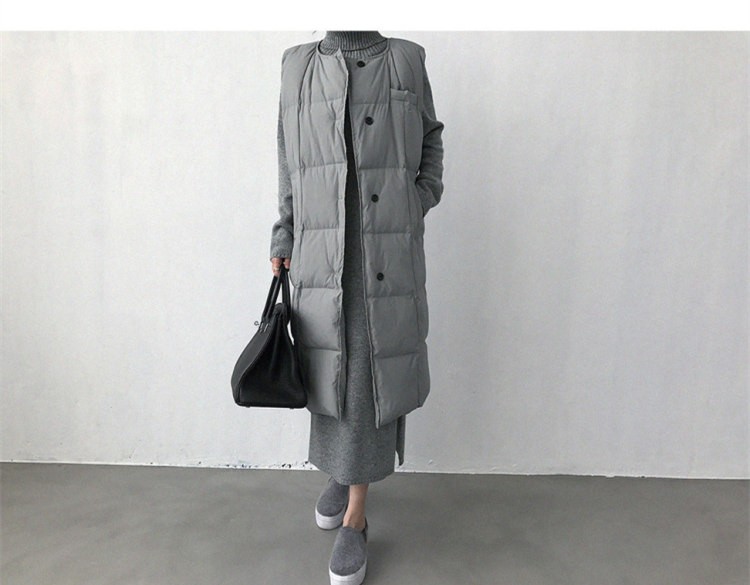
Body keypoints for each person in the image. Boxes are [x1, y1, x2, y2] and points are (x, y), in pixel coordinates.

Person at [269, 31, 444, 585]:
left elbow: (431, 138)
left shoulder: (406, 60)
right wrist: (284, 233)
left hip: (382, 249)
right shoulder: (297, 65)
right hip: (321, 250)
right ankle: (342, 473)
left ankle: (356, 516)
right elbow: (288, 158)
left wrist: (417, 198)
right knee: (327, 371)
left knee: (368, 376)